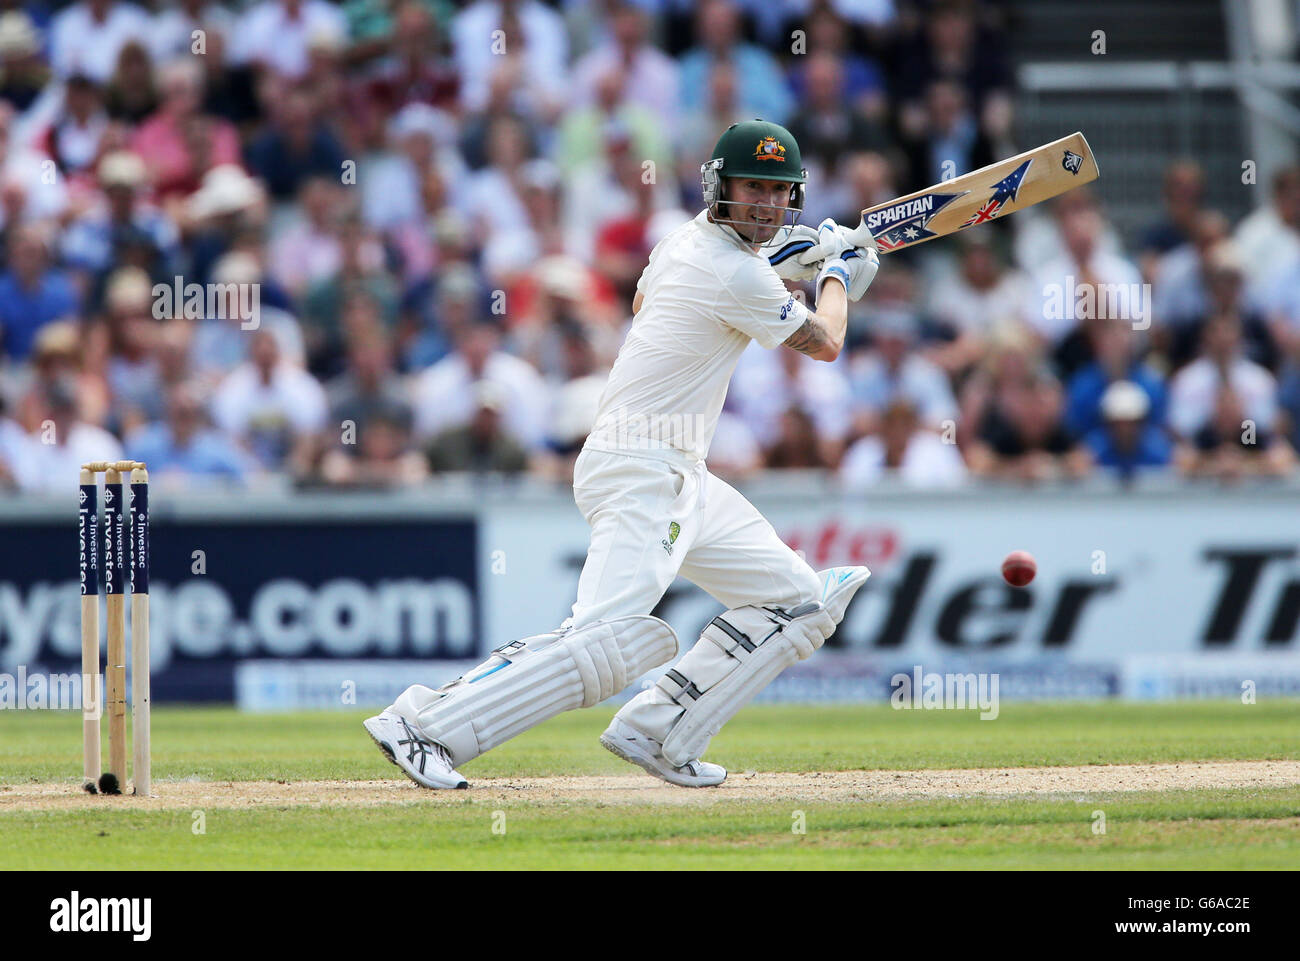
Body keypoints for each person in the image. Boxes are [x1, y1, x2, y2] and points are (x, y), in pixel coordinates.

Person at [364, 120, 878, 789]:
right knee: (603, 642)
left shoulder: (682, 244)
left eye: (781, 193)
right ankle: (424, 724)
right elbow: (825, 342)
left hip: (681, 471)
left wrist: (782, 266)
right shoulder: (732, 269)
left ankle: (662, 730)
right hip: (643, 467)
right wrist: (836, 275)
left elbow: (652, 300)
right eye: (754, 188)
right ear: (720, 187)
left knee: (798, 602)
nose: (768, 206)